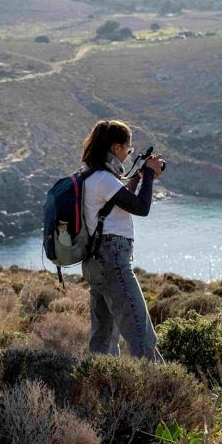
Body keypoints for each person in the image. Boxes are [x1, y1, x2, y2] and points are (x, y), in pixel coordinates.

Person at [79, 120, 165, 361]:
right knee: (141, 333)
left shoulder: (90, 175)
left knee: (103, 338)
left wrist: (138, 178)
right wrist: (148, 173)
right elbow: (140, 207)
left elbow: (116, 201)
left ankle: (100, 388)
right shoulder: (103, 180)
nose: (128, 154)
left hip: (96, 263)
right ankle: (163, 390)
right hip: (113, 259)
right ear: (116, 148)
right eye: (128, 150)